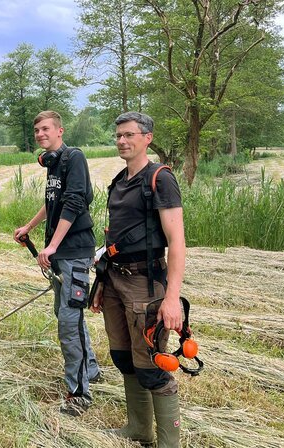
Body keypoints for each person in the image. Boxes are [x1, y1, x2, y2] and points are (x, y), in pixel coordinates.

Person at [90, 112, 186, 447]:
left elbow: (177, 241)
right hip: (114, 280)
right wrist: (102, 284)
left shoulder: (159, 178)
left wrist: (172, 299)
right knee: (123, 358)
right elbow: (114, 239)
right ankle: (139, 430)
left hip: (145, 285)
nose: (122, 141)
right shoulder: (119, 181)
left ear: (147, 137)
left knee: (150, 366)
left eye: (129, 135)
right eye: (118, 135)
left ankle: (168, 442)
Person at [13, 110, 102, 416]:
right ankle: (90, 368)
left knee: (68, 320)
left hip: (74, 250)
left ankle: (79, 395)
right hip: (61, 253)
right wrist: (29, 226)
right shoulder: (54, 164)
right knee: (67, 315)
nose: (40, 134)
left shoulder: (73, 158)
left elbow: (75, 202)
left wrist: (50, 246)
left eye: (46, 129)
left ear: (60, 130)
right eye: (37, 130)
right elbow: (53, 202)